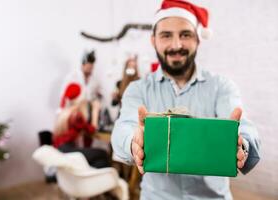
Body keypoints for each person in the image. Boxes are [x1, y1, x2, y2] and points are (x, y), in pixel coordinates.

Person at [111, 0, 261, 199]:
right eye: (166, 35)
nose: (176, 45)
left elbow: (244, 128)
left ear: (198, 39)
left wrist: (242, 144)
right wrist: (132, 142)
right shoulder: (138, 89)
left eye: (185, 35)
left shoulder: (221, 86)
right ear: (153, 40)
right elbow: (123, 128)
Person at [53, 83, 110, 168]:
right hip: (68, 150)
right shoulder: (76, 115)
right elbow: (92, 130)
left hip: (61, 150)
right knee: (103, 154)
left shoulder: (65, 112)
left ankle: (89, 176)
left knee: (99, 158)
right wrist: (95, 110)